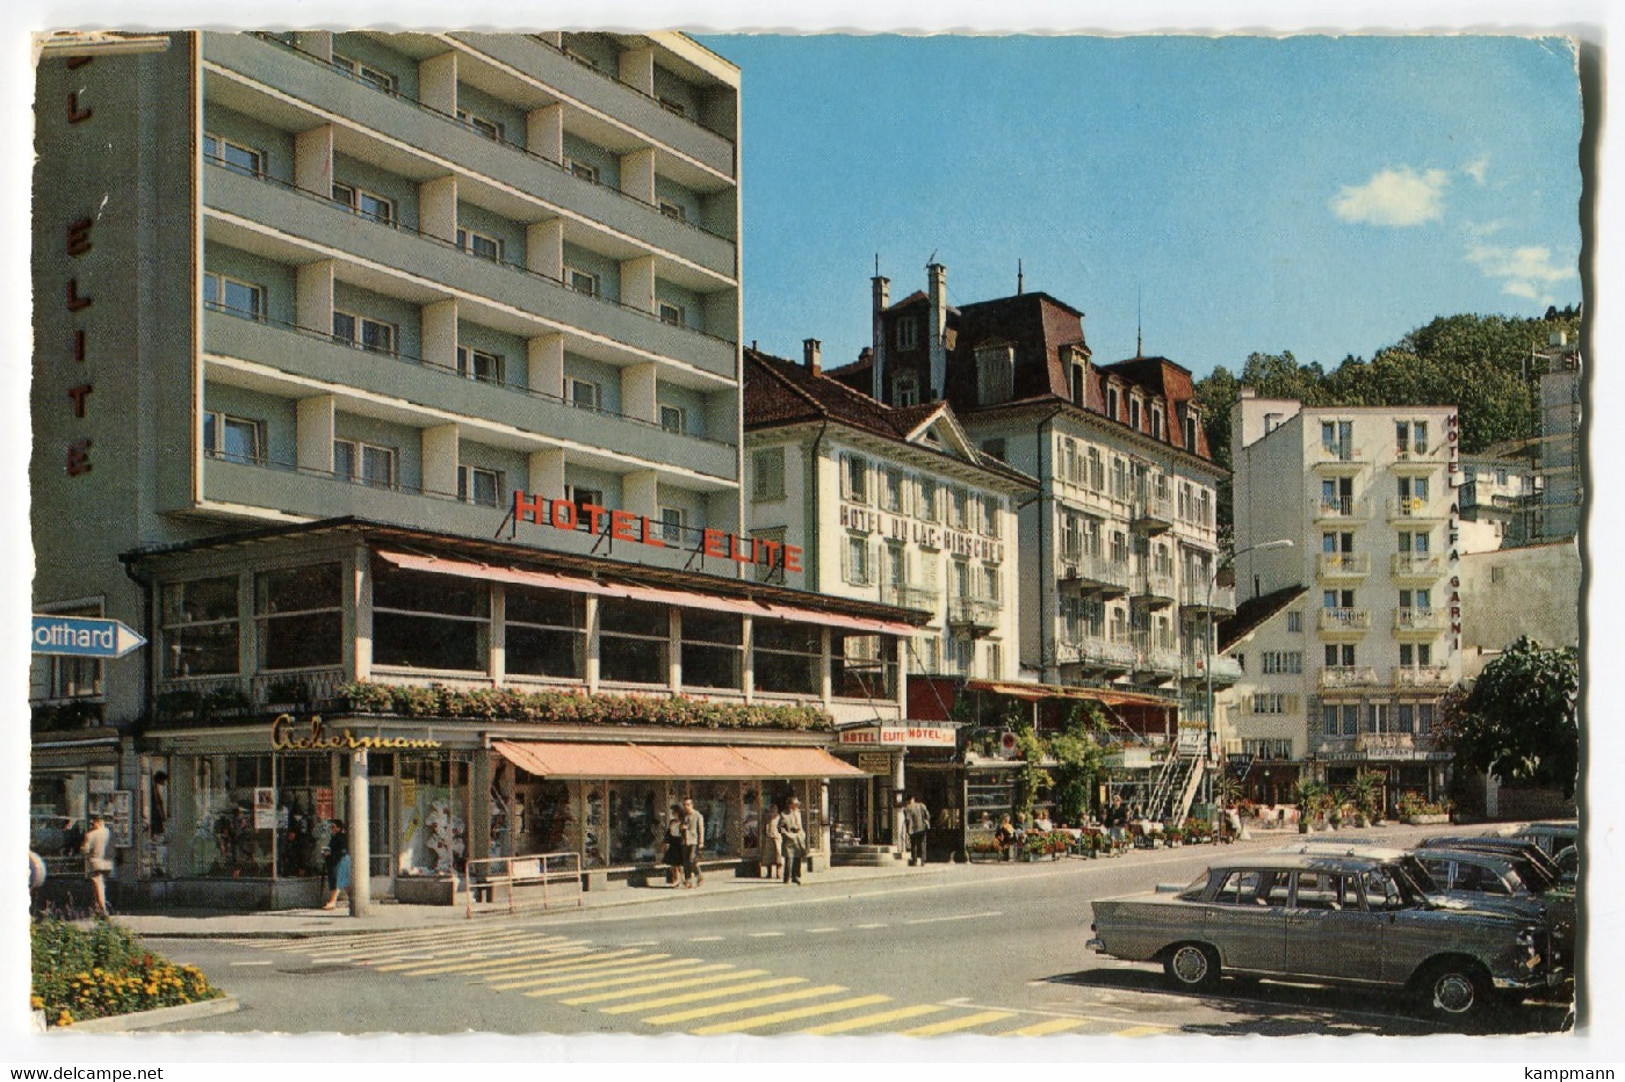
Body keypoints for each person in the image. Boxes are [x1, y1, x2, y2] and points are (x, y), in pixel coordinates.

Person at [81, 814, 113, 916]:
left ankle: (103, 909)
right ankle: (97, 908)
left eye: (93, 823)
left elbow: (85, 850)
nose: (92, 825)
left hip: (95, 863)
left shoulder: (91, 835)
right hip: (108, 863)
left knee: (98, 886)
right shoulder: (109, 833)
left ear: (97, 823)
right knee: (101, 885)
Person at [776, 796, 807, 884]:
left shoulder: (798, 813)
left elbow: (800, 825)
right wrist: (786, 833)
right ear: (790, 805)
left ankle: (796, 876)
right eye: (795, 804)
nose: (797, 806)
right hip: (789, 839)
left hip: (798, 838)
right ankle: (787, 878)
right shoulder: (783, 814)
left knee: (798, 858)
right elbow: (780, 827)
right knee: (789, 859)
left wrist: (802, 833)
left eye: (797, 804)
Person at [321, 819, 350, 910]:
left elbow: (341, 850)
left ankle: (333, 902)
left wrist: (330, 853)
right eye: (331, 827)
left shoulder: (340, 837)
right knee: (343, 881)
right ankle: (352, 898)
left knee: (337, 881)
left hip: (339, 861)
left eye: (333, 827)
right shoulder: (336, 837)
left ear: (339, 828)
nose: (332, 829)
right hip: (337, 860)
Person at [679, 797, 705, 888]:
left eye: (688, 804)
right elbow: (680, 827)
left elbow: (701, 829)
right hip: (685, 841)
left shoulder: (697, 815)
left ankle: (699, 875)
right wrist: (681, 828)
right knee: (685, 862)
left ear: (692, 805)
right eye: (685, 805)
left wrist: (701, 842)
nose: (686, 807)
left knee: (692, 859)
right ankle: (688, 880)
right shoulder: (683, 816)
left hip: (694, 841)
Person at [903, 794, 930, 866]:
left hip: (913, 829)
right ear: (913, 799)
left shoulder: (907, 808)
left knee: (914, 844)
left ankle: (914, 861)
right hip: (922, 827)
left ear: (908, 801)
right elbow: (927, 815)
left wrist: (907, 830)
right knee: (923, 844)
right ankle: (923, 861)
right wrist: (926, 821)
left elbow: (907, 819)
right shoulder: (922, 805)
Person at [759, 799, 783, 880]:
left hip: (776, 838)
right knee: (768, 857)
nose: (773, 811)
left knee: (778, 855)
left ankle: (778, 873)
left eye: (774, 809)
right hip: (768, 837)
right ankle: (769, 873)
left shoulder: (779, 818)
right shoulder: (767, 818)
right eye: (771, 809)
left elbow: (782, 827)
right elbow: (763, 826)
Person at [663, 804, 686, 887]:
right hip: (673, 843)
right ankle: (676, 880)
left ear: (678, 813)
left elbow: (685, 835)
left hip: (680, 844)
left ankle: (684, 879)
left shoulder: (683, 822)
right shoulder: (672, 822)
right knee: (674, 864)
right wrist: (666, 842)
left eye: (674, 812)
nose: (673, 813)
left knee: (680, 864)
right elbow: (668, 833)